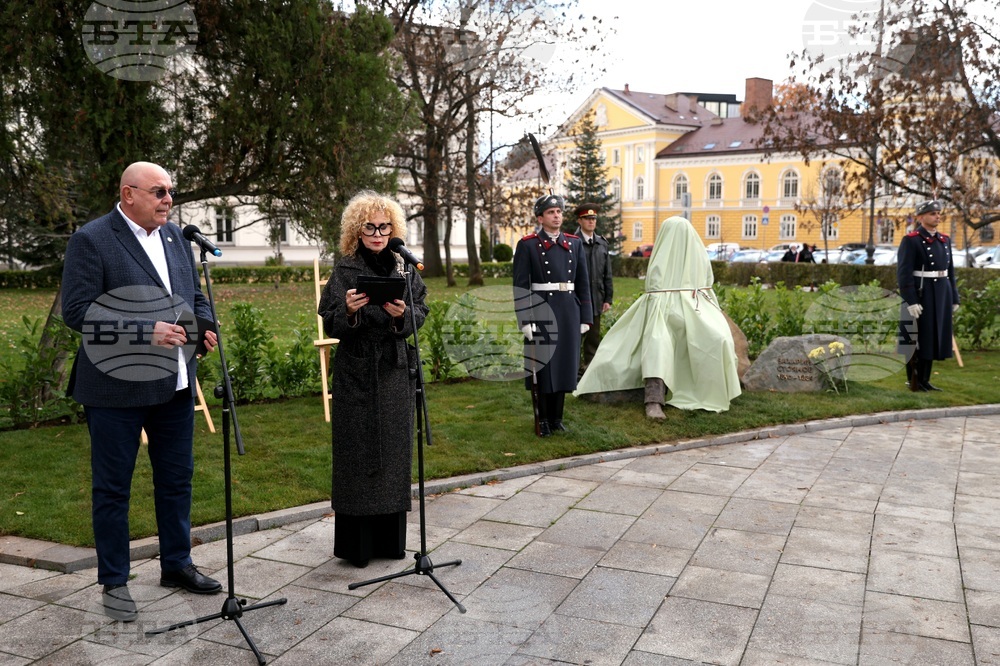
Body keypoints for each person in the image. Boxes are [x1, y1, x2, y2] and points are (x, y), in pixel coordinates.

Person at [62, 161, 221, 623]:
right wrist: (143, 331)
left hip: (173, 382)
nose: (168, 199)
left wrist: (203, 326)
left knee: (177, 480)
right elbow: (77, 312)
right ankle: (115, 583)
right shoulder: (92, 239)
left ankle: (177, 564)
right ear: (128, 194)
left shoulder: (175, 239)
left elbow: (193, 296)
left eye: (170, 191)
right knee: (112, 489)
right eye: (159, 192)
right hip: (114, 386)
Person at [318, 190, 428, 568]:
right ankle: (357, 548)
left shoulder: (404, 267)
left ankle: (390, 543)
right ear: (357, 230)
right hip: (357, 372)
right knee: (357, 455)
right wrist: (348, 312)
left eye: (384, 226)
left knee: (394, 455)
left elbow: (421, 311)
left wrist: (402, 315)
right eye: (370, 227)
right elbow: (330, 319)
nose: (378, 233)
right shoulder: (345, 268)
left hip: (394, 371)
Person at [576, 216, 742, 416]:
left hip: (694, 313)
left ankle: (712, 389)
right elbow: (655, 296)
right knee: (658, 343)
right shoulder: (660, 262)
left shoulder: (698, 259)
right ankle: (654, 399)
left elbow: (705, 290)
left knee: (717, 338)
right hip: (660, 315)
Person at [513, 194, 592, 436]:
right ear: (540, 218)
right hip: (541, 310)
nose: (556, 215)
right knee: (544, 367)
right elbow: (521, 286)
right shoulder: (527, 245)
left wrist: (585, 317)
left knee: (565, 365)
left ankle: (557, 418)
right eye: (550, 212)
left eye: (559, 211)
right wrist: (525, 320)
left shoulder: (574, 243)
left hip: (569, 310)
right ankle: (544, 419)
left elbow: (583, 282)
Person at [897, 199, 959, 391]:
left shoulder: (944, 240)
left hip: (940, 293)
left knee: (933, 337)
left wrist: (954, 297)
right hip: (921, 293)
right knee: (915, 339)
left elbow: (950, 271)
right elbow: (904, 273)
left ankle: (925, 380)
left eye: (939, 213)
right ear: (921, 217)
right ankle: (913, 380)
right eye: (933, 213)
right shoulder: (911, 240)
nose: (937, 216)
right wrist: (911, 301)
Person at [573, 203, 614, 377]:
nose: (591, 222)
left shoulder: (601, 243)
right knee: (575, 337)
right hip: (576, 299)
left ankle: (589, 371)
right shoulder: (572, 242)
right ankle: (572, 371)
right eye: (587, 219)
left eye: (593, 219)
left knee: (593, 338)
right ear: (579, 221)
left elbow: (607, 273)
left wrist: (608, 298)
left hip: (596, 298)